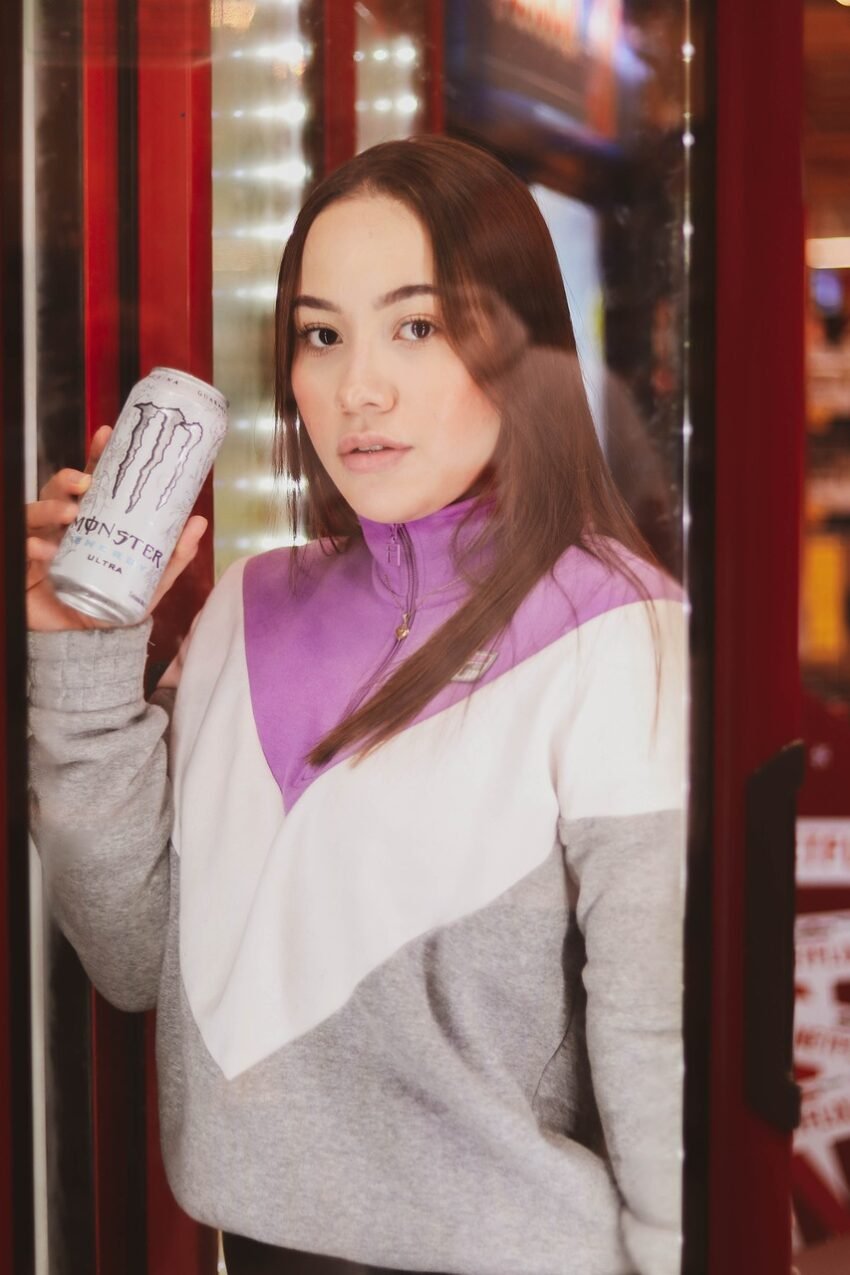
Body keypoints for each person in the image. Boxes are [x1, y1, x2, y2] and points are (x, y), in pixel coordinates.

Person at [26, 135, 686, 1275]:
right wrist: (82, 659)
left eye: (415, 327)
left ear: (520, 345)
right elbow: (137, 959)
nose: (357, 388)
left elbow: (658, 1039)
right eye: (321, 335)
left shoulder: (619, 629)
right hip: (252, 1251)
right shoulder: (245, 609)